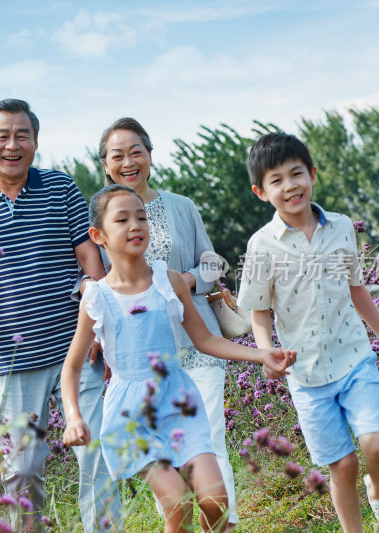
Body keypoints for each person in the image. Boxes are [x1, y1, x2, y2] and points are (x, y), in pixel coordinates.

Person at [61, 185, 296, 533]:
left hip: (179, 402)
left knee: (216, 503)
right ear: (98, 235)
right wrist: (73, 417)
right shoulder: (96, 297)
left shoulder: (169, 280)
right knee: (176, 505)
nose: (135, 225)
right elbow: (72, 367)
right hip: (131, 417)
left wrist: (261, 354)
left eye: (141, 216)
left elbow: (205, 339)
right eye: (122, 219)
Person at [0, 98, 121, 532]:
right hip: (10, 356)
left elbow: (88, 255)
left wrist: (101, 326)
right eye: (2, 136)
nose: (12, 144)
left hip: (77, 346)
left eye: (23, 135)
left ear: (35, 141)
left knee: (96, 453)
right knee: (20, 471)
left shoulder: (60, 188)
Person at [238, 132, 379, 533]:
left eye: (296, 173)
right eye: (276, 180)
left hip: (354, 356)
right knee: (343, 464)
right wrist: (267, 352)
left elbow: (356, 288)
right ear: (261, 192)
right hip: (307, 375)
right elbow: (259, 312)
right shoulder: (261, 246)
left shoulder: (340, 228)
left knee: (377, 445)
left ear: (312, 174)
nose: (290, 185)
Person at [97, 117, 239, 527]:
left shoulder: (181, 206)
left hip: (198, 341)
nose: (128, 161)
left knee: (208, 442)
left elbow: (213, 259)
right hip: (144, 357)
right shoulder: (106, 218)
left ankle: (224, 524)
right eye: (117, 155)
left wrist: (188, 281)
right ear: (106, 165)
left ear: (150, 155)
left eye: (136, 151)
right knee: (165, 462)